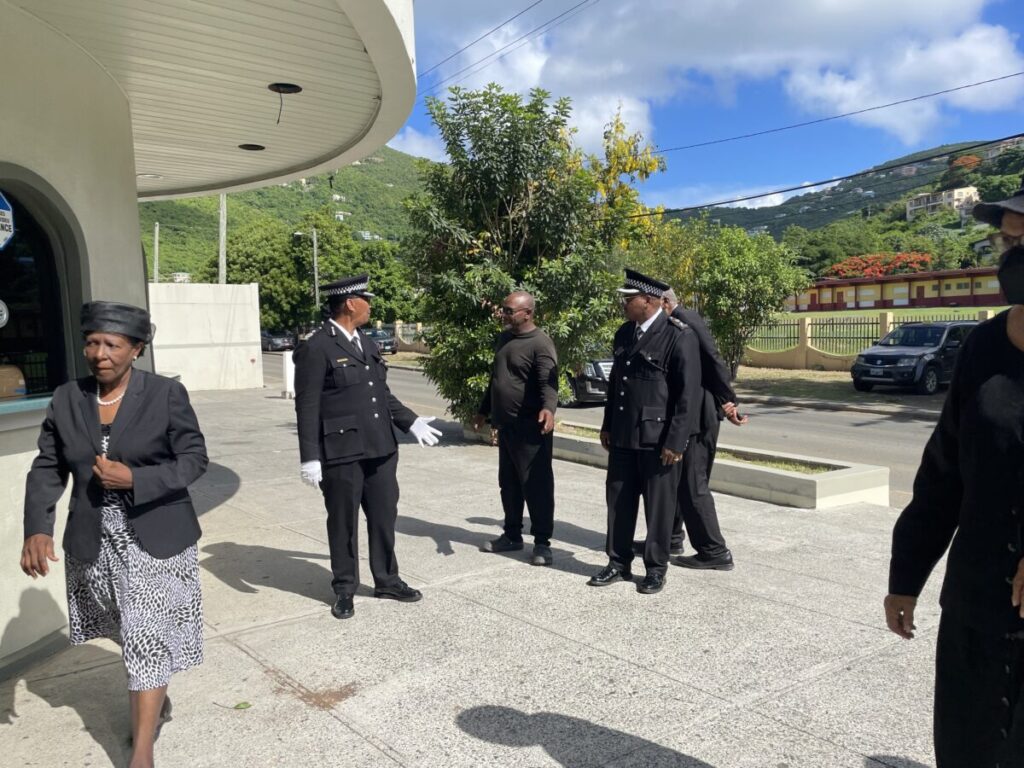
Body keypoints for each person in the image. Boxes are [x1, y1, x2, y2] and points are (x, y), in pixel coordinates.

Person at [21, 301, 208, 768]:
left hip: (156, 533)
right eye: (92, 342)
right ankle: (155, 694)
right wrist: (38, 528)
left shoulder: (165, 394)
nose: (99, 353)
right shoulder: (67, 397)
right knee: (126, 629)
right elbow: (48, 465)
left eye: (112, 344)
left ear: (136, 349)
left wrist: (137, 479)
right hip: (94, 536)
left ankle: (141, 750)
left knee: (146, 631)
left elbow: (193, 459)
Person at [884, 181, 1024, 766]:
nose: (1013, 257)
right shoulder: (981, 348)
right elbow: (944, 473)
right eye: (1009, 242)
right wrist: (906, 574)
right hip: (978, 605)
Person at [293, 274, 442, 620]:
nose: (371, 306)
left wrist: (411, 422)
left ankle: (387, 580)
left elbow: (381, 394)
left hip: (381, 448)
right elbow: (307, 406)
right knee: (343, 522)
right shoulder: (317, 346)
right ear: (350, 303)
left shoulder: (367, 343)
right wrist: (310, 457)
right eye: (366, 299)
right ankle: (345, 588)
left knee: (383, 516)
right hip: (341, 451)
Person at [589, 269, 702, 595]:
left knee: (658, 508)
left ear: (649, 301)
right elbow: (616, 386)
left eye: (629, 299)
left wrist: (676, 441)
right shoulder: (624, 333)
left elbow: (687, 395)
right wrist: (608, 425)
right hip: (624, 435)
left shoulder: (679, 336)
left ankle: (655, 569)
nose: (623, 304)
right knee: (618, 502)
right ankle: (618, 563)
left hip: (659, 441)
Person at [658, 288, 748, 571]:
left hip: (699, 413)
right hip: (691, 411)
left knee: (692, 482)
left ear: (665, 302)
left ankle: (714, 550)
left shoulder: (685, 318)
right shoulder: (670, 323)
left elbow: (712, 358)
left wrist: (729, 401)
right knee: (677, 480)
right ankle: (670, 539)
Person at [473, 291, 559, 566]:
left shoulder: (540, 343)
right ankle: (512, 536)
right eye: (504, 309)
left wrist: (549, 409)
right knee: (508, 484)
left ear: (528, 313)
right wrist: (483, 410)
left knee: (537, 486)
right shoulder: (505, 338)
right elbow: (496, 379)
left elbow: (548, 383)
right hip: (506, 425)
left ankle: (542, 543)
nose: (504, 314)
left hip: (532, 429)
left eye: (509, 311)